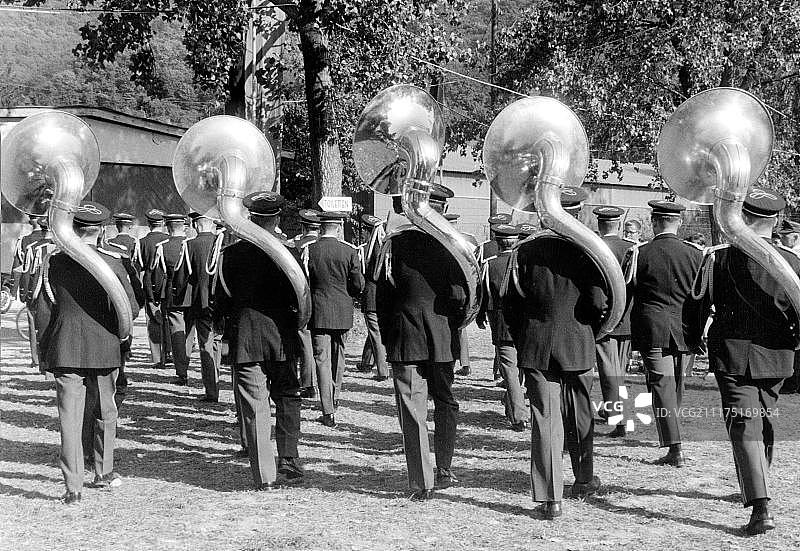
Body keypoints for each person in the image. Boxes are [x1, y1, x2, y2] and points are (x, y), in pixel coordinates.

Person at [685, 188, 799, 535]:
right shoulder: (793, 264)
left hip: (733, 355)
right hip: (777, 357)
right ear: (776, 220)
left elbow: (697, 306)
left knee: (745, 425)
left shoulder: (718, 257)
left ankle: (760, 505)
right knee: (760, 420)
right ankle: (758, 481)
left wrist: (693, 341)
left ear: (742, 216)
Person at [502, 186, 607, 520]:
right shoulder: (590, 249)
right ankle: (584, 478)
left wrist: (525, 337)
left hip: (536, 343)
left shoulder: (524, 250)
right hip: (577, 342)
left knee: (545, 419)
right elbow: (600, 302)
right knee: (580, 414)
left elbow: (509, 303)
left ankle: (551, 499)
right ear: (577, 213)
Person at [39, 201, 140, 504]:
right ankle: (104, 471)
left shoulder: (53, 262)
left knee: (69, 419)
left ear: (73, 227)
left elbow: (43, 310)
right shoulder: (114, 261)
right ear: (102, 230)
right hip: (106, 346)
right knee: (106, 411)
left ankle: (73, 488)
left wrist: (45, 353)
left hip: (65, 348)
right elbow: (131, 309)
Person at [375, 185, 467, 501]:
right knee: (445, 400)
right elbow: (461, 297)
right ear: (439, 209)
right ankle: (444, 469)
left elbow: (381, 297)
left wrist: (388, 337)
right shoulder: (454, 246)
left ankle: (420, 480)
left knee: (411, 406)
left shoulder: (393, 244)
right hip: (442, 334)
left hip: (405, 333)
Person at [214, 191, 304, 489]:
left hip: (245, 339)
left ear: (250, 217)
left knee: (255, 406)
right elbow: (302, 298)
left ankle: (265, 476)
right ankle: (289, 456)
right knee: (288, 396)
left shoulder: (229, 255)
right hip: (282, 337)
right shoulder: (290, 252)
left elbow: (222, 300)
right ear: (277, 217)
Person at [626, 200, 702, 467]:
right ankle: (673, 433)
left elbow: (628, 293)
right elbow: (700, 297)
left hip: (652, 326)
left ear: (654, 222)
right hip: (684, 328)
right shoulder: (696, 254)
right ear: (679, 222)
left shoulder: (640, 253)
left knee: (661, 384)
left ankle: (675, 447)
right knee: (674, 384)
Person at [304, 211, 364, 427]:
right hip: (341, 310)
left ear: (321, 228)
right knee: (339, 357)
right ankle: (335, 396)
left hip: (319, 310)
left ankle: (327, 409)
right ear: (338, 228)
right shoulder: (349, 251)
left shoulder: (310, 250)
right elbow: (358, 285)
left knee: (321, 359)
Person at [476, 223, 526, 431]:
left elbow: (483, 295)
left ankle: (518, 415)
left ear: (497, 243)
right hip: (526, 325)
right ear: (516, 243)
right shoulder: (525, 263)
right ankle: (515, 407)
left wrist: (479, 316)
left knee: (510, 372)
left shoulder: (490, 265)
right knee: (521, 369)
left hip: (503, 325)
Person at [592, 206, 635, 437]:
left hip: (605, 320)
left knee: (610, 374)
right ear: (618, 224)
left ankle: (619, 419)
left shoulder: (595, 247)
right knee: (619, 372)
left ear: (600, 224)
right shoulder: (632, 248)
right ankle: (617, 414)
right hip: (627, 320)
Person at [172, 212, 222, 400]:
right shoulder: (222, 243)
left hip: (200, 304)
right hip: (221, 303)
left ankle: (211, 391)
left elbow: (181, 277)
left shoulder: (190, 245)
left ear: (197, 225)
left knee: (206, 346)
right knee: (216, 342)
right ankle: (218, 382)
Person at [155, 214, 191, 385]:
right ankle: (188, 362)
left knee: (177, 334)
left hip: (173, 294)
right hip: (192, 294)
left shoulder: (163, 247)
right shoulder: (191, 244)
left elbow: (160, 274)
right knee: (189, 333)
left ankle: (182, 372)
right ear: (183, 226)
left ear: (168, 228)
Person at [356, 213, 389, 381]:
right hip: (383, 298)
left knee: (375, 332)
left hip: (371, 296)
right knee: (373, 330)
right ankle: (366, 362)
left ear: (368, 231)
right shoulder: (383, 247)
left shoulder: (368, 250)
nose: (362, 234)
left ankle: (382, 370)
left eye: (363, 231)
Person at [293, 209, 322, 398]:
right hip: (322, 301)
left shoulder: (297, 246)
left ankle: (308, 382)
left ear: (303, 226)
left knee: (304, 342)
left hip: (303, 299)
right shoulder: (322, 245)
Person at [12, 214, 47, 371]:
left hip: (35, 290)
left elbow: (19, 268)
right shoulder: (59, 242)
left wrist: (19, 292)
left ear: (31, 220)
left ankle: (36, 359)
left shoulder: (25, 241)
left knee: (33, 325)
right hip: (53, 291)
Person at [444, 211, 476, 377]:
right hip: (466, 290)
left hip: (449, 290)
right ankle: (465, 362)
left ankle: (450, 360)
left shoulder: (442, 239)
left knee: (449, 328)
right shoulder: (468, 240)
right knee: (460, 328)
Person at [138, 209, 171, 368]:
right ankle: (170, 352)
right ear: (163, 223)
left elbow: (140, 266)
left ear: (148, 223)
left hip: (150, 285)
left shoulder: (142, 242)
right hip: (167, 285)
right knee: (168, 319)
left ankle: (158, 358)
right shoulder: (169, 240)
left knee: (153, 321)